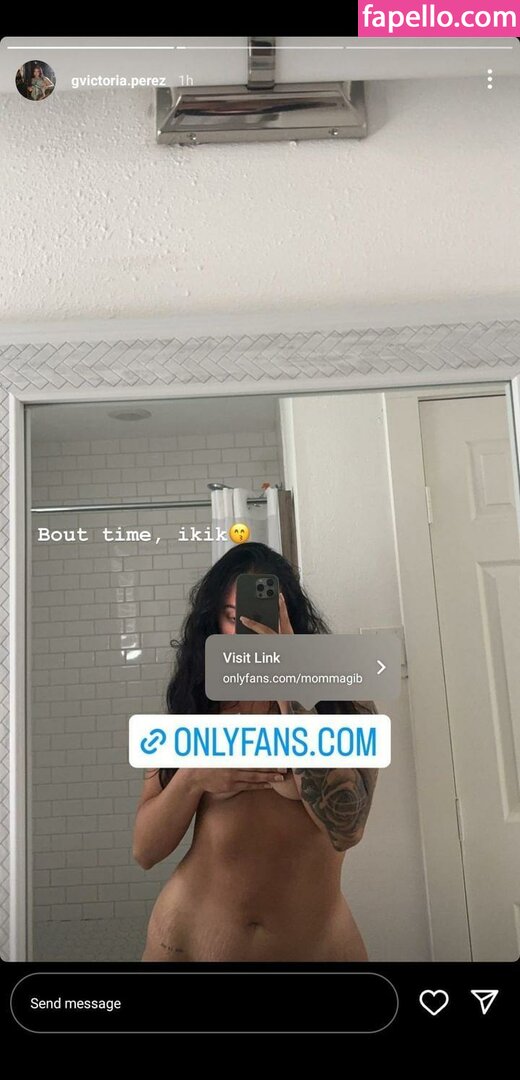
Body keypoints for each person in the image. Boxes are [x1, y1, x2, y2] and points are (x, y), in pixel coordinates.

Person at [133, 542, 378, 962]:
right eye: (233, 617)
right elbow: (145, 851)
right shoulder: (196, 708)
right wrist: (194, 778)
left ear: (289, 617)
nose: (246, 631)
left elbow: (347, 829)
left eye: (260, 616)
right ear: (214, 621)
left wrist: (289, 679)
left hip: (316, 949)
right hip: (186, 942)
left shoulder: (342, 702)